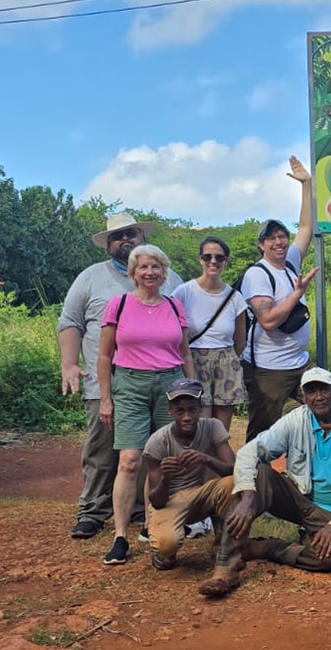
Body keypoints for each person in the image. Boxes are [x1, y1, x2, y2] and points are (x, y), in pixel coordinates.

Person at [58, 213, 182, 540]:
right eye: (117, 236)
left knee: (149, 450)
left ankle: (142, 511)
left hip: (157, 377)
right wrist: (69, 364)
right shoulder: (90, 278)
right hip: (105, 380)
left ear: (141, 236)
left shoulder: (169, 278)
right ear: (108, 244)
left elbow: (184, 328)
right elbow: (70, 322)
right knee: (103, 450)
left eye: (130, 233)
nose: (124, 240)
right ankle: (94, 510)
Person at [97, 244, 195, 566]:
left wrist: (193, 392)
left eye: (155, 267)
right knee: (129, 460)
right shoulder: (119, 304)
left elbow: (185, 353)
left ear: (164, 271)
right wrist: (106, 399)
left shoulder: (173, 305)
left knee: (163, 459)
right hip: (131, 384)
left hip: (170, 384)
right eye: (143, 267)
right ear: (133, 272)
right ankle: (121, 536)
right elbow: (104, 355)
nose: (149, 272)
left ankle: (153, 527)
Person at [223, 367, 331, 574]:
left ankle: (267, 547)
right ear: (304, 396)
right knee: (260, 474)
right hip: (302, 503)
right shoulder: (295, 419)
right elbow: (249, 452)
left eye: (324, 390)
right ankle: (227, 559)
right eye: (311, 391)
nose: (318, 397)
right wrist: (248, 497)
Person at [240, 155, 318, 442]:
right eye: (270, 238)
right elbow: (269, 320)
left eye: (281, 236)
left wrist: (307, 185)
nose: (279, 242)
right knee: (261, 436)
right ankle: (251, 484)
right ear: (261, 245)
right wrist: (297, 293)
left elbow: (307, 228)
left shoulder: (291, 262)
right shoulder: (257, 275)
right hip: (269, 371)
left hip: (300, 363)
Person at [143, 378, 242, 597]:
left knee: (231, 484)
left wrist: (206, 459)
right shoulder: (157, 442)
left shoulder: (213, 426)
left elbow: (233, 470)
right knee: (166, 545)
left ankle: (224, 550)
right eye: (180, 411)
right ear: (170, 412)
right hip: (171, 499)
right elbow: (156, 500)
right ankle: (164, 555)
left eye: (192, 410)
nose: (186, 417)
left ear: (200, 409)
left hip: (201, 492)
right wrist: (166, 478)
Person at [172, 236, 247, 432]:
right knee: (199, 426)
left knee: (221, 431)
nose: (213, 261)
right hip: (194, 361)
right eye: (208, 257)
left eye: (219, 258)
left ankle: (218, 463)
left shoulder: (235, 298)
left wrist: (226, 359)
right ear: (200, 260)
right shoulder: (183, 292)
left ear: (226, 261)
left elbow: (240, 340)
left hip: (226, 361)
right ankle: (198, 463)